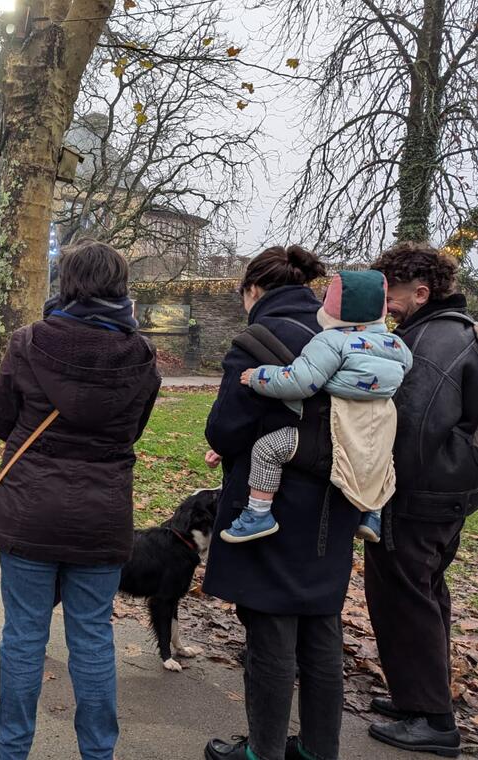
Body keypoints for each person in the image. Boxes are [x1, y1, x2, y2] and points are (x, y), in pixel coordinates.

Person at [0, 240, 162, 760]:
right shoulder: (143, 355)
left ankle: (12, 749)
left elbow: (1, 420)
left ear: (67, 282)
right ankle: (98, 754)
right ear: (120, 286)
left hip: (29, 509)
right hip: (102, 514)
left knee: (23, 636)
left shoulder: (28, 341)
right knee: (92, 639)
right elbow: (135, 429)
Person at [202, 246, 361, 760]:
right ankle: (318, 750)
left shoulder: (256, 342)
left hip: (269, 505)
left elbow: (226, 429)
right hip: (336, 502)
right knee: (321, 627)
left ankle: (263, 752)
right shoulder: (350, 339)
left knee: (270, 631)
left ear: (254, 290)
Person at [364, 242, 477, 757]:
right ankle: (418, 698)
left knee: (403, 596)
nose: (385, 304)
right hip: (450, 489)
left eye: (391, 294)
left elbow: (411, 429)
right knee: (426, 592)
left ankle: (433, 720)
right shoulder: (456, 332)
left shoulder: (432, 341)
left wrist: (375, 484)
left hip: (418, 492)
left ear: (422, 292)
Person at [222, 270, 413, 544]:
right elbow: (406, 368)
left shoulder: (331, 341)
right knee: (382, 461)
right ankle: (372, 512)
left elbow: (298, 381)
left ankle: (258, 513)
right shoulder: (397, 345)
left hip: (335, 425)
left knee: (268, 449)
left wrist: (258, 376)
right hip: (379, 422)